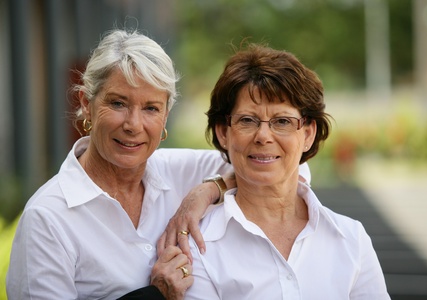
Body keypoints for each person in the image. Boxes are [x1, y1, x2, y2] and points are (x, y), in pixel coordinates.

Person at [5, 28, 236, 300]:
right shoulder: (47, 218)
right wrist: (156, 294)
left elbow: (284, 172)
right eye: (118, 103)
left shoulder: (180, 171)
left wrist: (207, 191)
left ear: (165, 116)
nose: (133, 125)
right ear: (87, 104)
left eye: (151, 108)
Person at [184, 43, 391, 299]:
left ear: (307, 134)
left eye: (282, 121)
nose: (263, 136)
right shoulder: (196, 246)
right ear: (223, 133)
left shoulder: (351, 238)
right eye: (247, 120)